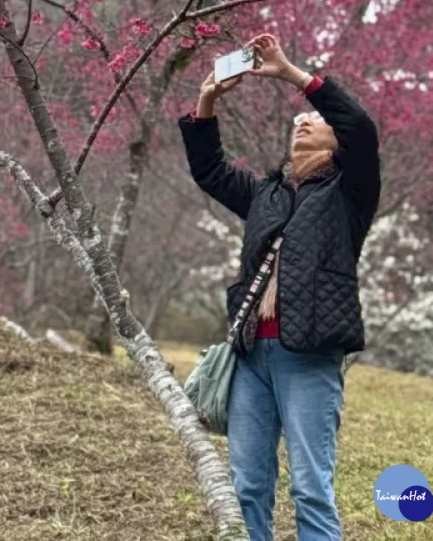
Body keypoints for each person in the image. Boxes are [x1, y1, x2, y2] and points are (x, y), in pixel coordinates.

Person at [178, 33, 380, 541]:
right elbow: (209, 170)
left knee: (311, 488)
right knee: (247, 486)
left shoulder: (350, 192)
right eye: (297, 121)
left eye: (314, 119)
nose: (301, 122)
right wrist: (206, 100)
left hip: (308, 355)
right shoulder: (266, 194)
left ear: (335, 141)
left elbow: (359, 126)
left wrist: (291, 73)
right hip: (251, 357)